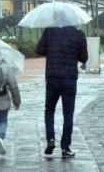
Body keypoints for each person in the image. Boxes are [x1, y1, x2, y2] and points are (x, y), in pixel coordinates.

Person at [36, 24, 88, 158]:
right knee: (68, 114)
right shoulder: (79, 34)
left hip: (52, 77)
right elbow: (84, 58)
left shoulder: (50, 31)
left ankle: (50, 139)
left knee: (49, 110)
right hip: (69, 79)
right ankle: (65, 148)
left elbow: (40, 50)